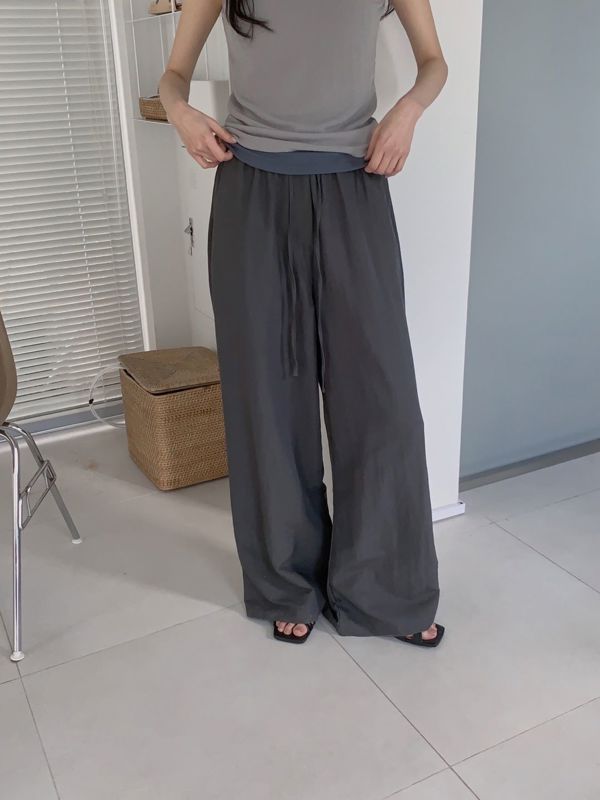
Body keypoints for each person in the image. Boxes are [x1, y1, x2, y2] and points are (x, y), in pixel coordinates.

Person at [159, 0, 448, 646]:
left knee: (381, 401)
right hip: (252, 192)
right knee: (268, 398)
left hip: (355, 184)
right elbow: (172, 76)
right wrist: (181, 113)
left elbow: (434, 62)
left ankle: (387, 590)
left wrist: (407, 111)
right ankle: (287, 583)